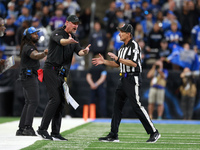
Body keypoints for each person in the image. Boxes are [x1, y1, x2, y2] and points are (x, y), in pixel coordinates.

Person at [92, 23, 161, 143]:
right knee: (116, 106)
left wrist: (118, 59)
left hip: (132, 78)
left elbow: (134, 63)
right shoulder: (122, 48)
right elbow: (118, 64)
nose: (119, 33)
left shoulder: (134, 45)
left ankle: (154, 132)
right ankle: (113, 134)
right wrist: (104, 62)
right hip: (122, 79)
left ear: (128, 34)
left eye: (122, 32)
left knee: (137, 106)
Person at [37, 15, 91, 141]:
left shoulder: (74, 38)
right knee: (55, 99)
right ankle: (42, 129)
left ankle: (55, 132)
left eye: (77, 23)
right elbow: (61, 41)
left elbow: (80, 52)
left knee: (61, 102)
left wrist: (85, 52)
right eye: (74, 23)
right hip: (50, 70)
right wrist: (69, 41)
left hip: (61, 73)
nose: (76, 25)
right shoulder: (57, 33)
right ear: (67, 22)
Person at [16, 26, 48, 136]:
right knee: (34, 102)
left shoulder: (28, 46)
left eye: (36, 33)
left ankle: (21, 128)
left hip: (27, 76)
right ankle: (27, 127)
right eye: (34, 34)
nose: (37, 35)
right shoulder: (28, 47)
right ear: (29, 36)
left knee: (29, 102)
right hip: (29, 77)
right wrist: (44, 53)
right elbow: (35, 56)